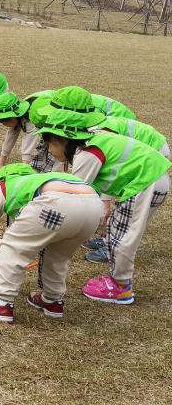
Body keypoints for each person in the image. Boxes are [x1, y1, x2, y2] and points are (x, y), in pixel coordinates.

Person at [38, 99, 170, 305]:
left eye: (49, 145)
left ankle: (121, 287)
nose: (50, 152)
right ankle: (117, 280)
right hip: (147, 181)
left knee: (124, 236)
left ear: (61, 140)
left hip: (147, 183)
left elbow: (73, 197)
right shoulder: (89, 144)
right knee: (117, 228)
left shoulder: (87, 154)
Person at [0, 163, 102, 323]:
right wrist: (3, 272)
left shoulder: (7, 185)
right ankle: (52, 300)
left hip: (55, 205)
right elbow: (30, 233)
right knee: (58, 254)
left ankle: (1, 302)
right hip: (94, 208)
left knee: (12, 245)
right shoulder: (41, 181)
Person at [0, 91, 58, 172]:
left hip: (57, 118)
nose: (3, 124)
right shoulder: (17, 115)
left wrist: (24, 168)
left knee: (53, 152)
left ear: (13, 116)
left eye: (4, 121)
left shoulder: (31, 118)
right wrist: (1, 164)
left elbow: (28, 146)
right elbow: (10, 138)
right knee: (37, 167)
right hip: (45, 116)